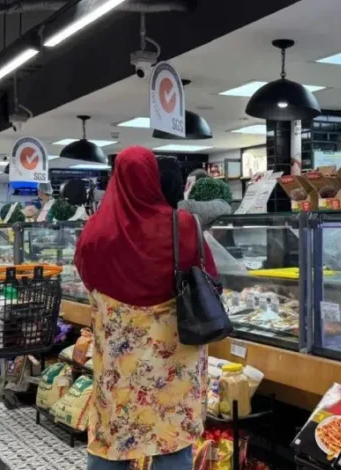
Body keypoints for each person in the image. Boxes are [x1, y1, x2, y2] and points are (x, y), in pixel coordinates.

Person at [74, 146, 218, 470]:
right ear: (153, 176)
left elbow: (86, 277)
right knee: (172, 439)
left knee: (112, 438)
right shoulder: (182, 225)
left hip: (119, 366)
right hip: (175, 359)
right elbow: (209, 274)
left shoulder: (96, 231)